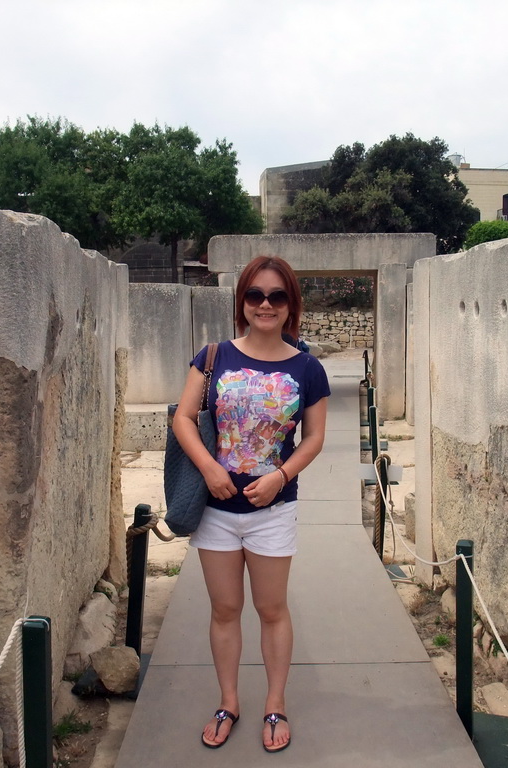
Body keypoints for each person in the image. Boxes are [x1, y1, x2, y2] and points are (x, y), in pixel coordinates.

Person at [172, 255, 330, 753]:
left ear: (290, 306)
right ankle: (229, 700)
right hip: (217, 510)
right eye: (255, 295)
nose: (265, 304)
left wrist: (280, 476)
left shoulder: (307, 367)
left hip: (272, 511)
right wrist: (210, 468)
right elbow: (184, 417)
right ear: (242, 301)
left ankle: (275, 702)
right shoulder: (214, 355)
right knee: (224, 609)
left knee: (271, 608)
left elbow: (314, 438)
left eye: (276, 296)